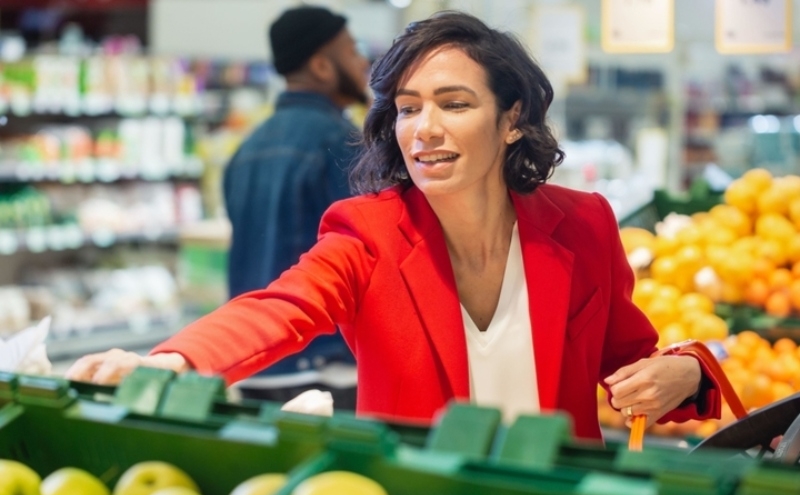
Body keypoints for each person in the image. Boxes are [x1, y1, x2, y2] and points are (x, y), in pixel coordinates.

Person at [67, 11, 720, 440]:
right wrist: (174, 361)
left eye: (454, 104)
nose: (424, 128)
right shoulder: (369, 232)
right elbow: (280, 307)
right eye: (408, 108)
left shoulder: (582, 224)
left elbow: (629, 363)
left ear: (513, 119)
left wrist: (690, 375)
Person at [221, 5, 370, 407]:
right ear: (322, 66)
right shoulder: (343, 143)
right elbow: (369, 252)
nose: (363, 63)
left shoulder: (246, 148)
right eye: (353, 51)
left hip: (254, 358)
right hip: (323, 370)